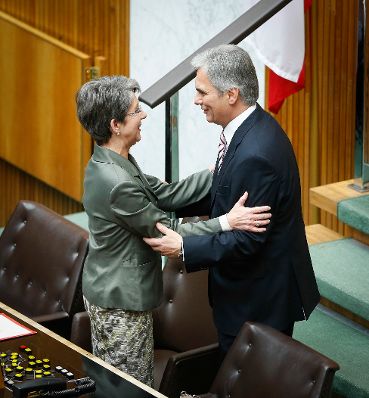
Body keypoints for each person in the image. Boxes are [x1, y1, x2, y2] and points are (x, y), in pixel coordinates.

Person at [75, 75, 271, 387]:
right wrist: (227, 222)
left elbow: (166, 193)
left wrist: (217, 170)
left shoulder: (113, 160)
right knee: (130, 386)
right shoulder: (117, 183)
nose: (144, 115)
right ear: (115, 124)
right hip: (120, 300)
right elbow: (168, 230)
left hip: (108, 286)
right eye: (136, 111)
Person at [144, 44, 320, 357]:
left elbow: (247, 241)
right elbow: (224, 193)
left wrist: (184, 247)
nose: (196, 100)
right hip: (245, 291)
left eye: (202, 92)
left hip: (258, 298)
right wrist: (167, 201)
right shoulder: (246, 130)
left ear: (231, 94)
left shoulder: (257, 154)